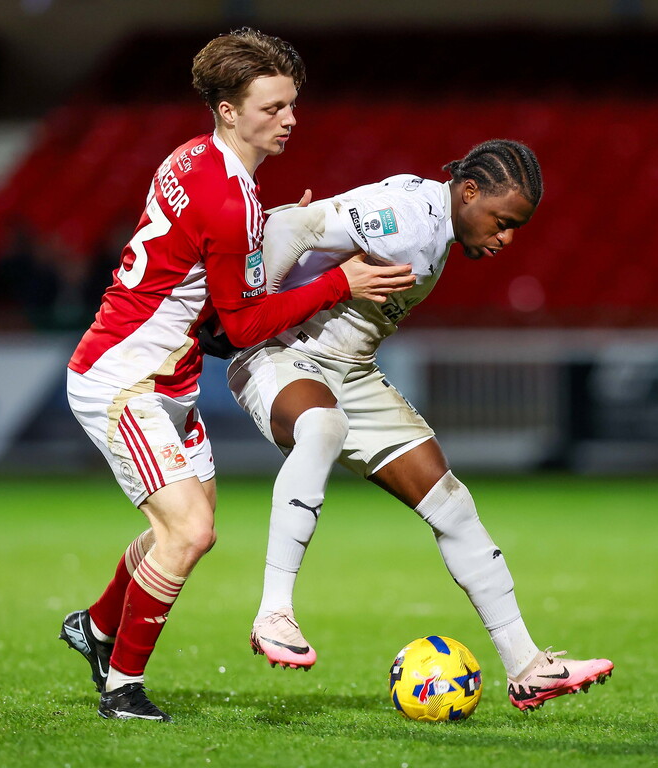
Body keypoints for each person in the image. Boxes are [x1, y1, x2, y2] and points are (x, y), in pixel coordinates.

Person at [58, 27, 414, 722]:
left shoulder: (190, 159)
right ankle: (122, 689)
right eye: (272, 108)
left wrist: (270, 236)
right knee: (187, 531)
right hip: (123, 377)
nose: (290, 120)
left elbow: (218, 277)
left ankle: (97, 628)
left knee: (184, 526)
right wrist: (338, 281)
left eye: (290, 105)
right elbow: (245, 327)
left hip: (165, 375)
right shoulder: (231, 200)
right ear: (228, 110)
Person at [225, 139, 614, 712]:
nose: (506, 238)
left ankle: (528, 666)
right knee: (323, 427)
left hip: (350, 372)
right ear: (469, 191)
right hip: (282, 353)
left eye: (516, 228)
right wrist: (240, 308)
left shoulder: (434, 223)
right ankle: (273, 613)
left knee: (452, 504)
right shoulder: (406, 220)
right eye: (502, 222)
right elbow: (292, 226)